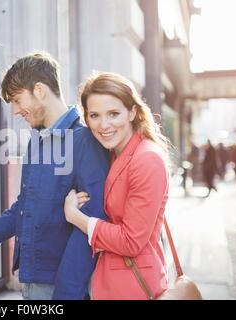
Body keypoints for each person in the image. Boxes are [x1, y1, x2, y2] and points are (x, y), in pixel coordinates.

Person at [0, 52, 110, 300]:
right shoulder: (36, 142)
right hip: (30, 282)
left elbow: (90, 228)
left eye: (17, 99)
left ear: (39, 90)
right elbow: (23, 208)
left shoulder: (85, 142)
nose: (15, 111)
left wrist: (65, 296)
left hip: (61, 288)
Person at [64, 71, 170, 300]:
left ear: (132, 112)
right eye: (94, 115)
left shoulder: (146, 158)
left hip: (133, 287)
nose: (104, 125)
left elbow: (131, 241)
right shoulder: (113, 154)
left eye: (113, 114)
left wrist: (75, 216)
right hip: (110, 283)